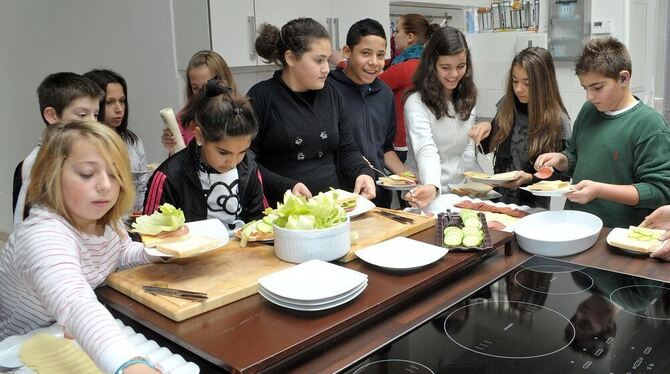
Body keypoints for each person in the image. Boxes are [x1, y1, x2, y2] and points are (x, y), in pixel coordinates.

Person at [1, 121, 160, 374]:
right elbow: (75, 302)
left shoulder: (104, 220)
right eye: (87, 173)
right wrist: (129, 365)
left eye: (115, 173)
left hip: (70, 336)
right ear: (52, 175)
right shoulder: (42, 234)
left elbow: (119, 254)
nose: (106, 186)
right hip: (20, 349)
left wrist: (157, 253)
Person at [535, 37, 670, 227]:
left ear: (623, 78)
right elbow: (575, 154)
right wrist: (562, 159)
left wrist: (600, 190)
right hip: (575, 223)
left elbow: (660, 191)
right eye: (585, 88)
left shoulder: (649, 125)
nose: (590, 96)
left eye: (597, 88)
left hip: (618, 234)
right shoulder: (589, 110)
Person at [247, 17, 376, 206]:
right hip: (284, 212)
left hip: (334, 209)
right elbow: (246, 160)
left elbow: (347, 147)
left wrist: (363, 171)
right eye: (319, 60)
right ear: (290, 58)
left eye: (327, 60)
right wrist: (285, 186)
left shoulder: (332, 93)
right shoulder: (261, 97)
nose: (326, 69)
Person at [144, 80, 264, 232]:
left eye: (242, 152)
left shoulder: (249, 166)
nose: (233, 162)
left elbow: (259, 226)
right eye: (223, 152)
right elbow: (149, 237)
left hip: (240, 254)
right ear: (200, 136)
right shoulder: (169, 177)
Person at [468, 47, 572, 208]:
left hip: (533, 209)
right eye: (515, 81)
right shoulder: (508, 105)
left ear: (544, 84)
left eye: (527, 83)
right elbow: (486, 147)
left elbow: (562, 179)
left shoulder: (558, 120)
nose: (518, 89)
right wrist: (484, 128)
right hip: (498, 203)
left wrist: (530, 178)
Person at [327, 18, 408, 208]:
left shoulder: (385, 93)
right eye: (365, 53)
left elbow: (385, 148)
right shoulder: (328, 89)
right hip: (341, 197)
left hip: (378, 197)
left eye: (380, 55)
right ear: (347, 52)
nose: (374, 62)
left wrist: (409, 177)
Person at [403, 26, 481, 209]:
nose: (454, 74)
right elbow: (426, 149)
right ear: (432, 65)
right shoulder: (416, 103)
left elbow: (468, 150)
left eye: (461, 66)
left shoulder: (468, 98)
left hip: (460, 193)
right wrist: (432, 186)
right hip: (427, 193)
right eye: (445, 67)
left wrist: (482, 184)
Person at [13, 72, 103, 227]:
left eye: (95, 114)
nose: (92, 123)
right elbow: (23, 223)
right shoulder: (38, 163)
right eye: (82, 115)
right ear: (52, 115)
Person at [84, 69, 149, 213]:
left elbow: (142, 187)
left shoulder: (133, 142)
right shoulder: (84, 145)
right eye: (109, 102)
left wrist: (143, 213)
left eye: (122, 101)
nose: (119, 109)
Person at [379, 14, 439, 163]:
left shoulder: (403, 68)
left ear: (410, 37)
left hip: (401, 145)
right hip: (422, 139)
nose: (394, 35)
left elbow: (367, 82)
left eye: (397, 31)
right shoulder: (428, 64)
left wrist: (342, 63)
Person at [161, 50, 238, 155]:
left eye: (206, 87)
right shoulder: (184, 118)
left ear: (223, 83)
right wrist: (172, 148)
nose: (201, 94)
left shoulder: (237, 113)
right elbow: (179, 161)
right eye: (195, 88)